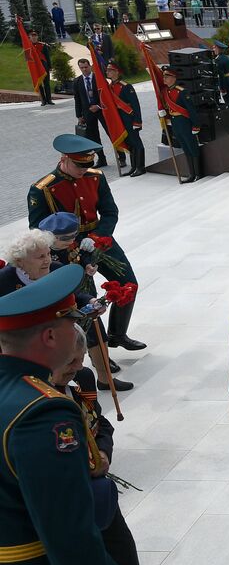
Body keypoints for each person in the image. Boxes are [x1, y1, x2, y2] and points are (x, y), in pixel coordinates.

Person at [0, 264, 141, 565]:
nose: (76, 329)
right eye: (69, 322)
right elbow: (67, 532)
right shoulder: (41, 411)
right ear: (49, 337)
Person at [56, 341, 168, 565]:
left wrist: (103, 451)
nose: (76, 365)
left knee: (122, 555)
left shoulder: (82, 380)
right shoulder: (31, 398)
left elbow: (100, 423)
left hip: (97, 492)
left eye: (79, 358)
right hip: (62, 500)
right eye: (68, 360)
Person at [28, 135, 145, 352]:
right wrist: (64, 246)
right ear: (64, 159)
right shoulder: (42, 189)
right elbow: (37, 229)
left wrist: (96, 237)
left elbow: (110, 212)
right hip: (68, 247)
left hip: (99, 239)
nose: (83, 170)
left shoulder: (95, 177)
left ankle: (117, 334)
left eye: (87, 165)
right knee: (88, 302)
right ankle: (98, 353)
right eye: (78, 165)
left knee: (128, 284)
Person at [37, 213, 128, 392]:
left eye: (73, 236)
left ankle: (105, 378)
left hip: (82, 295)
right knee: (73, 344)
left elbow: (78, 256)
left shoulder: (72, 244)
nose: (71, 241)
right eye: (65, 238)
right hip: (62, 304)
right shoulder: (46, 256)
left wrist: (88, 264)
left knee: (98, 334)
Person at [160, 65, 203, 183]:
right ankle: (191, 174)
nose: (164, 79)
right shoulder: (165, 92)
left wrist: (196, 125)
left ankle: (198, 173)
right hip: (176, 124)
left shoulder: (182, 92)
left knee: (192, 147)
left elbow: (191, 110)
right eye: (163, 76)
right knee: (185, 148)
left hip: (185, 123)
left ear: (173, 78)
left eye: (166, 76)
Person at [106, 60, 147, 178]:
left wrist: (137, 121)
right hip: (119, 119)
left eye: (110, 70)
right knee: (129, 143)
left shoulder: (126, 86)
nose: (107, 72)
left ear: (116, 72)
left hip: (129, 118)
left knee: (136, 143)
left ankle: (141, 167)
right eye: (107, 70)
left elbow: (135, 105)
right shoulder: (110, 87)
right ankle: (134, 167)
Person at [72, 59, 111, 168]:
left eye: (86, 67)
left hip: (102, 110)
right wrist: (79, 116)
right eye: (82, 68)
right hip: (88, 113)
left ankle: (121, 157)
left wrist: (98, 106)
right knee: (94, 137)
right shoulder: (77, 81)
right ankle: (102, 159)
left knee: (111, 133)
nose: (84, 69)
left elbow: (106, 95)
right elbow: (77, 99)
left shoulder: (98, 78)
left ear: (90, 66)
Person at [213, 40, 229, 109]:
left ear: (218, 49)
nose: (214, 49)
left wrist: (222, 88)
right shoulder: (227, 58)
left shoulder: (218, 60)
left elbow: (221, 76)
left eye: (214, 48)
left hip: (225, 84)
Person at [35, 40, 54, 105]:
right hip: (35, 67)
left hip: (44, 66)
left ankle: (49, 100)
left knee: (47, 84)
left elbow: (47, 56)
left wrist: (50, 66)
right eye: (32, 36)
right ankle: (43, 100)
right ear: (30, 37)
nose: (34, 37)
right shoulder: (28, 45)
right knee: (39, 84)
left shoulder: (42, 45)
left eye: (35, 35)